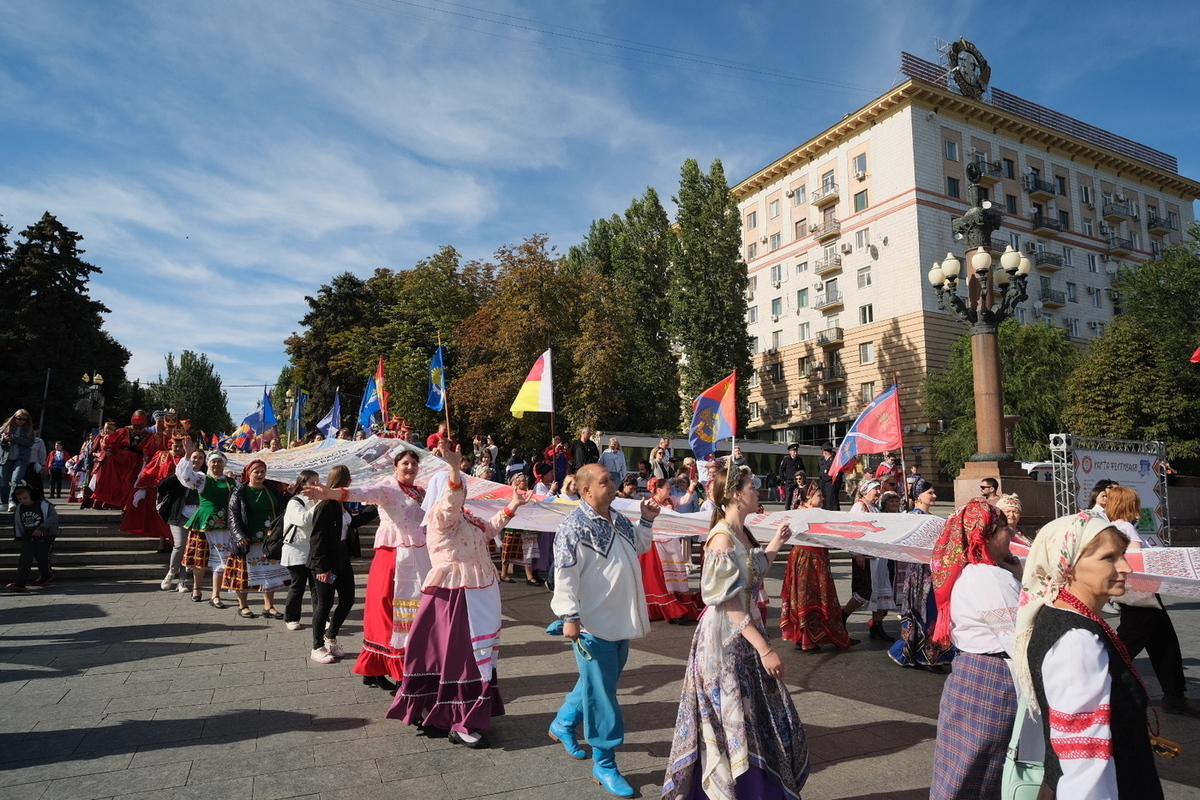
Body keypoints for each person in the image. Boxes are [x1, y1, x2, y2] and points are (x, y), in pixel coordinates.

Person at [662, 461, 809, 800]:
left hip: (744, 636)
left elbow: (756, 568)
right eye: (752, 486)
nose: (757, 490)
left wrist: (775, 541)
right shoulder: (721, 539)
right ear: (735, 494)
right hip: (726, 641)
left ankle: (756, 790)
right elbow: (728, 603)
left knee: (753, 714)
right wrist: (765, 648)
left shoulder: (741, 534)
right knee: (732, 716)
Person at [386, 444, 530, 749]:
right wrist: (453, 470)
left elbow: (489, 531)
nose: (463, 489)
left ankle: (453, 713)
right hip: (456, 594)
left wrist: (513, 505)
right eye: (459, 485)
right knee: (465, 656)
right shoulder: (442, 514)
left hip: (477, 592)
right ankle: (460, 720)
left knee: (473, 655)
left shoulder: (465, 517)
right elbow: (450, 502)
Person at [1014, 513, 1163, 799]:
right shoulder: (1077, 640)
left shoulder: (1062, 615)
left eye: (1122, 555)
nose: (1125, 567)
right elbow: (1084, 759)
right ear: (1068, 565)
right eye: (1109, 558)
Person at [548, 464, 659, 797]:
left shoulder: (616, 516)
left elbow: (638, 546)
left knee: (597, 683)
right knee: (603, 696)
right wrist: (569, 616)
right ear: (586, 491)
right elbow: (564, 576)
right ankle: (605, 762)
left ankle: (563, 723)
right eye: (605, 481)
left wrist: (647, 519)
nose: (613, 485)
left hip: (620, 621)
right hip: (593, 625)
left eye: (611, 480)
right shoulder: (572, 527)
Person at [928, 499, 1022, 800]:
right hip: (993, 684)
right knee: (980, 776)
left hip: (971, 676)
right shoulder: (989, 577)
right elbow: (1019, 639)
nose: (1011, 536)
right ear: (987, 535)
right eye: (1005, 529)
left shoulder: (968, 570)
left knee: (959, 773)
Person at [1107, 486, 1200, 716]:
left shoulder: (1114, 527)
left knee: (1164, 644)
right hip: (1141, 594)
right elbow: (1138, 556)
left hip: (1140, 594)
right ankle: (1099, 685)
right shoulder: (1125, 527)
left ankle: (1174, 695)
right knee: (1126, 646)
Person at [888, 479, 953, 670]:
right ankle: (921, 653)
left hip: (932, 571)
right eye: (930, 493)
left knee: (931, 611)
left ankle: (927, 653)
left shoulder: (931, 517)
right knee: (922, 611)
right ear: (918, 496)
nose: (934, 496)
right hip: (919, 572)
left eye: (933, 493)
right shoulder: (913, 517)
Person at [780, 484, 855, 652]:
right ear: (809, 498)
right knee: (807, 597)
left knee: (814, 597)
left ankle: (810, 637)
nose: (822, 498)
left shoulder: (813, 513)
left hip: (814, 558)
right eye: (819, 495)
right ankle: (807, 639)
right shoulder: (802, 513)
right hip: (807, 559)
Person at [224, 459, 289, 619]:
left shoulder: (270, 488)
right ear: (249, 473)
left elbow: (280, 509)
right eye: (256, 472)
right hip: (247, 539)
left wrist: (289, 495)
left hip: (268, 539)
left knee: (269, 572)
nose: (260, 475)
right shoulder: (240, 491)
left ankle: (269, 606)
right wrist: (239, 536)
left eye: (262, 472)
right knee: (244, 574)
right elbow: (233, 515)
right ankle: (243, 606)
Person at [306, 465, 356, 662]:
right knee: (324, 604)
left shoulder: (342, 504)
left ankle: (331, 637)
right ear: (345, 482)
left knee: (348, 599)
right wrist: (321, 566)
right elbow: (317, 537)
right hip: (325, 559)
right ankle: (317, 646)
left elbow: (351, 524)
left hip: (342, 556)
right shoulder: (326, 504)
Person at [178, 450, 237, 607]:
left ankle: (216, 595)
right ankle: (197, 588)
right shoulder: (202, 479)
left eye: (219, 461)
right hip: (203, 523)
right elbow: (185, 477)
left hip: (224, 525)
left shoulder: (232, 482)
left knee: (221, 560)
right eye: (213, 461)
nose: (216, 464)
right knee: (200, 559)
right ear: (208, 463)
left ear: (224, 464)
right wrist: (186, 456)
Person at [639, 477, 700, 623]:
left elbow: (684, 500)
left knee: (676, 572)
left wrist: (691, 487)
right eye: (667, 488)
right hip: (657, 545)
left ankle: (675, 604)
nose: (669, 490)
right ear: (658, 490)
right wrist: (663, 511)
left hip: (671, 542)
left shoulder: (671, 500)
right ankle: (669, 609)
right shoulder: (650, 503)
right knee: (661, 578)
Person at [841, 480, 894, 641]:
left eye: (879, 489)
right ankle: (841, 616)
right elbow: (851, 531)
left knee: (880, 590)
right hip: (866, 557)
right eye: (875, 489)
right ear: (865, 490)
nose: (879, 492)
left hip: (878, 556)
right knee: (865, 591)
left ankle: (877, 626)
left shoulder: (874, 507)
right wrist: (857, 553)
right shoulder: (859, 506)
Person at [121, 435, 186, 552]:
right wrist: (144, 483)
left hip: (179, 493)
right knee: (161, 517)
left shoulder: (186, 458)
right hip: (162, 491)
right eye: (176, 446)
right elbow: (150, 469)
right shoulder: (162, 454)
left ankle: (174, 543)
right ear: (171, 445)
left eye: (181, 446)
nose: (178, 448)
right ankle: (162, 542)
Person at [282, 470, 320, 632]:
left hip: (314, 549)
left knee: (317, 587)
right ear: (303, 484)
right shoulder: (295, 502)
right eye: (313, 482)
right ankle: (291, 617)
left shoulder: (318, 500)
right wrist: (319, 504)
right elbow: (304, 520)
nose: (317, 485)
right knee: (297, 586)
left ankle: (321, 617)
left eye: (318, 482)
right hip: (296, 549)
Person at [7, 483, 58, 591]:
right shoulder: (20, 507)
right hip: (28, 535)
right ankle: (20, 583)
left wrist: (42, 528)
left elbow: (53, 517)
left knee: (42, 556)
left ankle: (46, 575)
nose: (23, 501)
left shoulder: (43, 504)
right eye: (19, 499)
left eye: (25, 498)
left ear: (32, 495)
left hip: (45, 535)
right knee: (24, 558)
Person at [500, 473, 542, 585]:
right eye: (524, 480)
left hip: (526, 525)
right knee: (509, 548)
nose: (526, 482)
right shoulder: (510, 493)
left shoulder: (530, 493)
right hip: (513, 524)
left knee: (528, 550)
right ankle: (504, 573)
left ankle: (529, 576)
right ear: (517, 482)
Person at [1, 410, 35, 510]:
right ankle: (4, 502)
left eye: (24, 419)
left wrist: (14, 438)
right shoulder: (6, 427)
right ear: (14, 417)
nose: (21, 421)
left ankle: (12, 501)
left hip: (21, 458)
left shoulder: (29, 429)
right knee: (4, 480)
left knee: (16, 480)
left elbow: (30, 442)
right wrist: (4, 439)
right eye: (19, 418)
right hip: (6, 457)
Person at [817, 442, 842, 511]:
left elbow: (839, 473)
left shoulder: (835, 460)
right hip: (823, 483)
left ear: (825, 452)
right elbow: (819, 470)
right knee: (824, 501)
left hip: (831, 483)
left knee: (832, 501)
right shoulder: (821, 460)